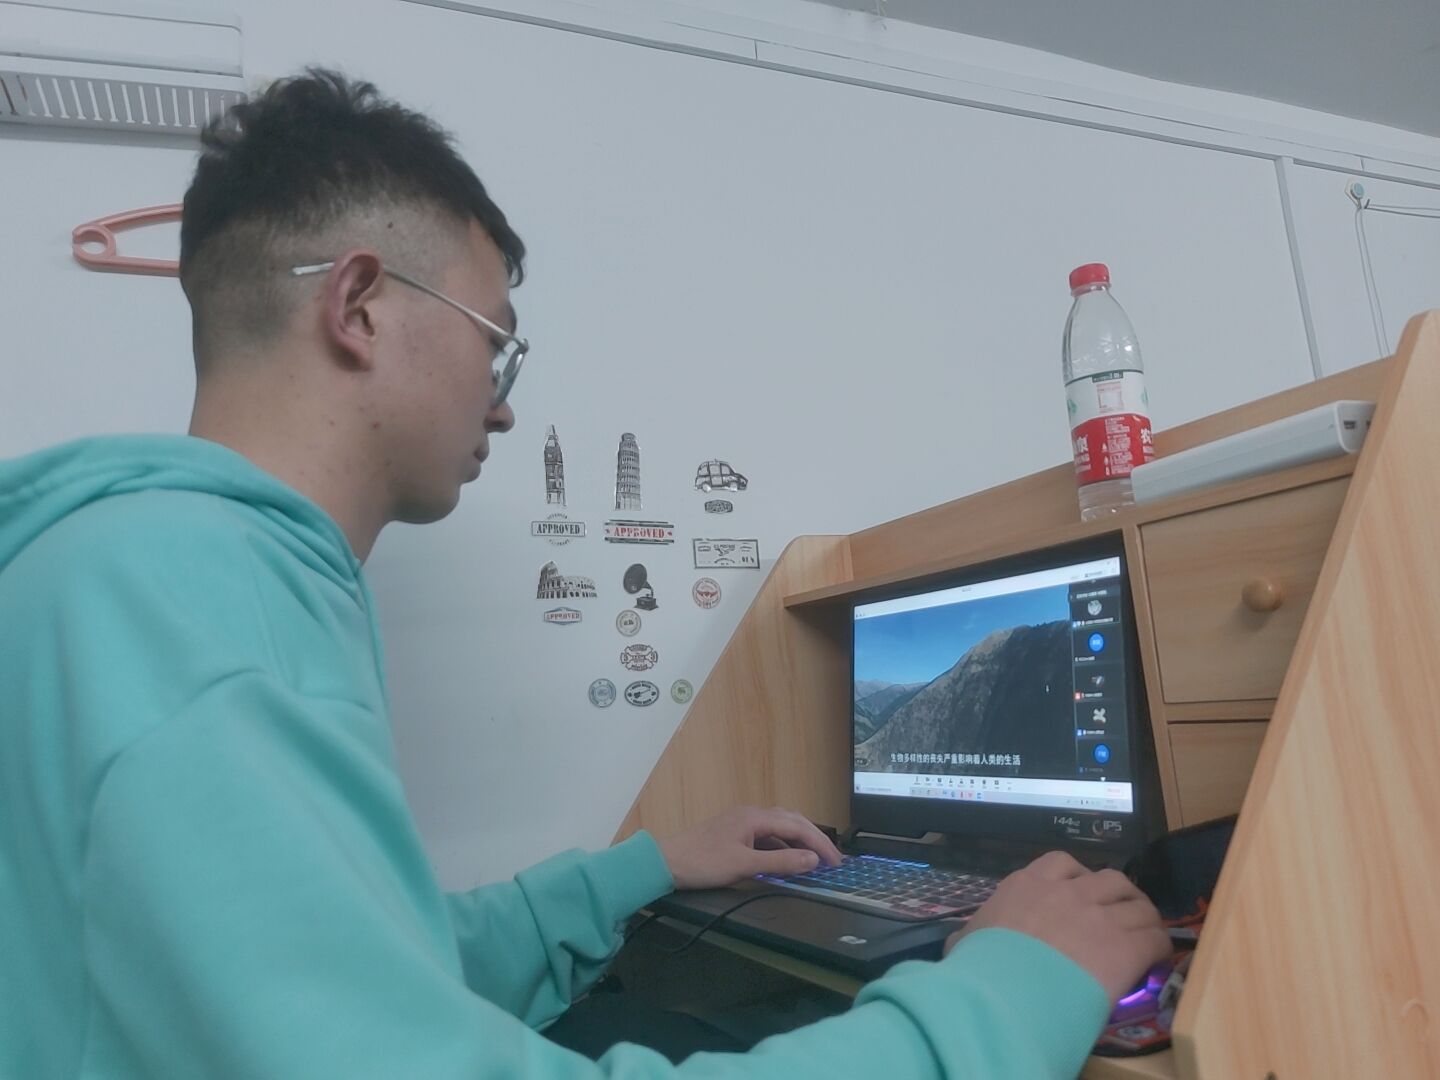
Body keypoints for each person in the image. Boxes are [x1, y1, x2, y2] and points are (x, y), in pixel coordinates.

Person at [0, 70, 1169, 1078]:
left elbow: (361, 973)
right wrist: (1006, 988)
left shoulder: (135, 580)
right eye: (496, 343)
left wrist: (638, 872)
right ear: (358, 305)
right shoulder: (196, 619)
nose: (503, 403)